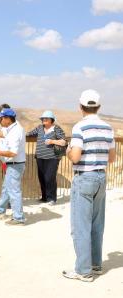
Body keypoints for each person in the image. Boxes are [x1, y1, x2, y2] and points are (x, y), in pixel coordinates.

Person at [62, 89, 116, 282]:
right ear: (98, 107)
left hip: (84, 177)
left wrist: (68, 151)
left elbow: (75, 156)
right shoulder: (108, 128)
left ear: (80, 107)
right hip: (101, 177)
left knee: (80, 226)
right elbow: (111, 158)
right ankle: (95, 264)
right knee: (96, 224)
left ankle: (83, 271)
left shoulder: (79, 127)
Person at [0, 108, 26, 225]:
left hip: (14, 164)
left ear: (7, 119)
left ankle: (18, 218)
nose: (0, 120)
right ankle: (0, 210)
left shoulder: (15, 132)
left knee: (14, 191)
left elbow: (13, 152)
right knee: (7, 188)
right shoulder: (13, 127)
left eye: (1, 118)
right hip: (15, 164)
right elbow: (1, 134)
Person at [27, 111, 67, 206]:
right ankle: (44, 197)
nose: (43, 120)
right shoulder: (39, 128)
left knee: (50, 177)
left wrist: (52, 141)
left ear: (51, 120)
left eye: (46, 119)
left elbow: (63, 142)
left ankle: (51, 198)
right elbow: (29, 134)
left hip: (52, 158)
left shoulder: (56, 129)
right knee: (42, 177)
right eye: (42, 119)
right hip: (40, 157)